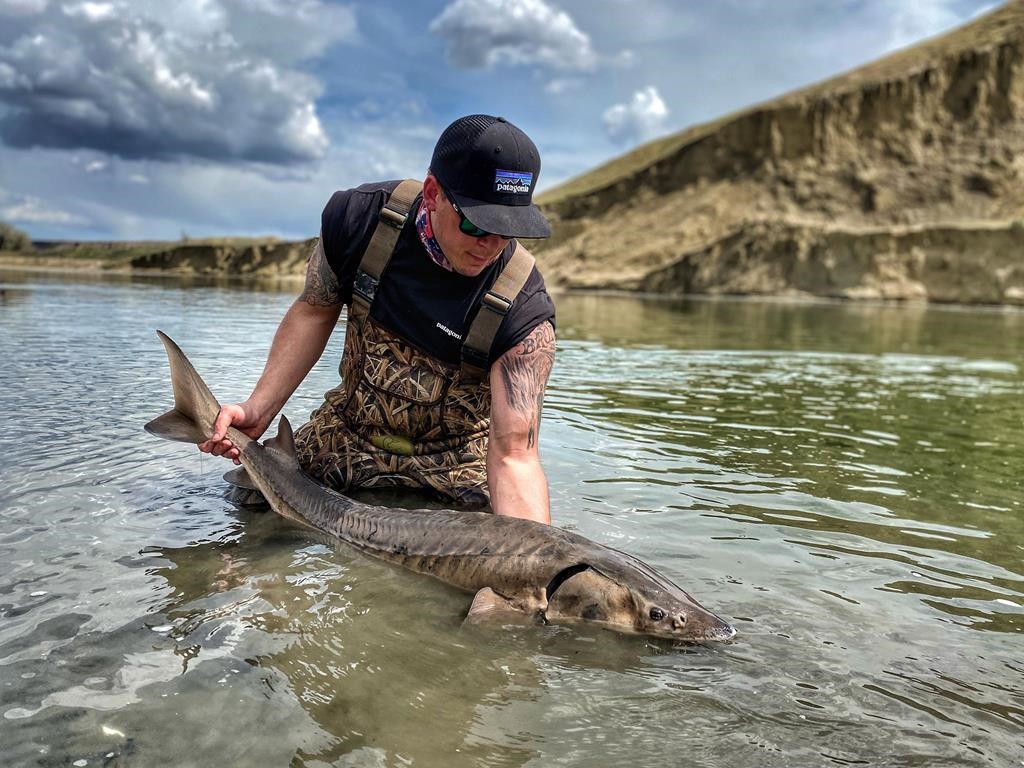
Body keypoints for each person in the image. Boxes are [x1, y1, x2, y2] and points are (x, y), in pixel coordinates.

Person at [199, 114, 556, 524]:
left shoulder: (524, 308)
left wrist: (534, 567)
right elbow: (315, 309)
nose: (490, 246)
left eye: (508, 230)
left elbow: (514, 454)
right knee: (243, 506)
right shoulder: (359, 221)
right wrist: (258, 409)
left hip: (453, 461)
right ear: (433, 193)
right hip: (349, 434)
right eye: (477, 224)